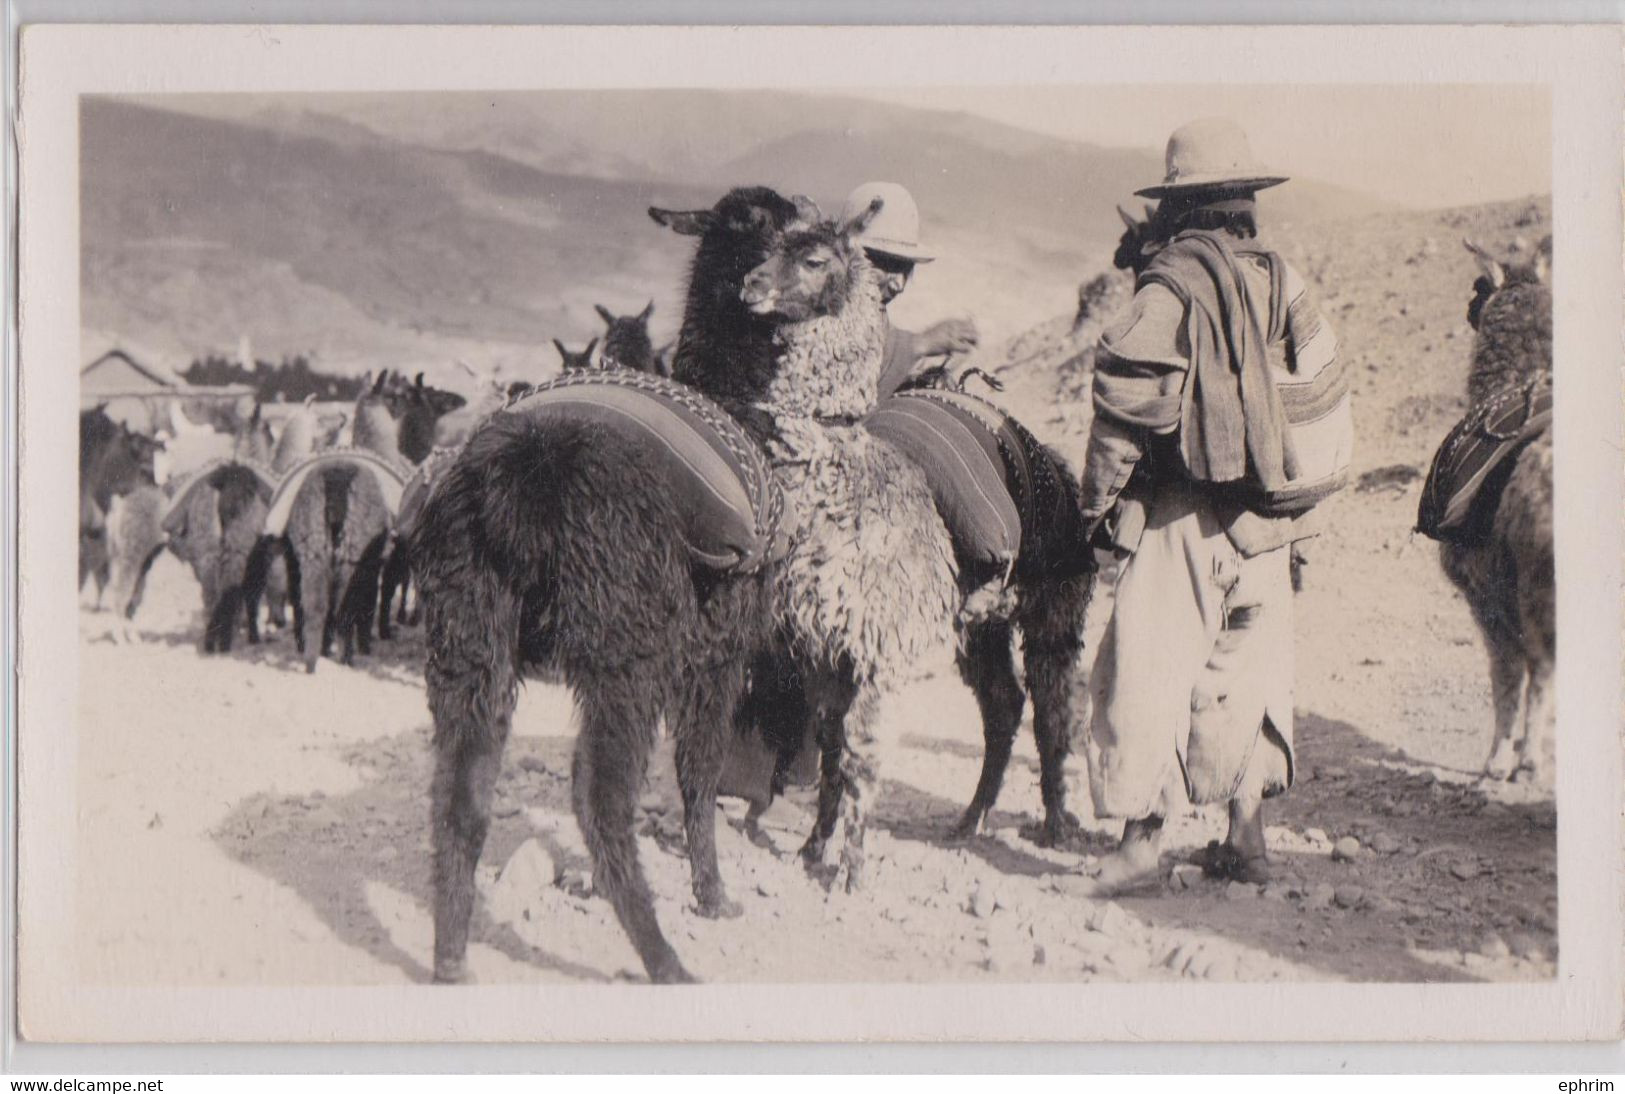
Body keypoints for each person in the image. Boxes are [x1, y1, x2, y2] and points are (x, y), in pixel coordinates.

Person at [1075, 118, 1344, 896]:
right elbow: (1314, 392)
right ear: (1244, 199)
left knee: (1147, 669)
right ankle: (1245, 840)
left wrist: (1098, 515)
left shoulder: (1173, 282)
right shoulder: (1280, 278)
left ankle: (1138, 847)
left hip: (1186, 511)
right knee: (1248, 674)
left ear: (1176, 205)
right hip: (1270, 518)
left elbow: (1127, 400)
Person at [837, 182, 980, 398]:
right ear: (845, 254)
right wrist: (919, 344)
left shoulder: (874, 315)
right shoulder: (811, 310)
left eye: (906, 269)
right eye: (888, 264)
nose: (899, 284)